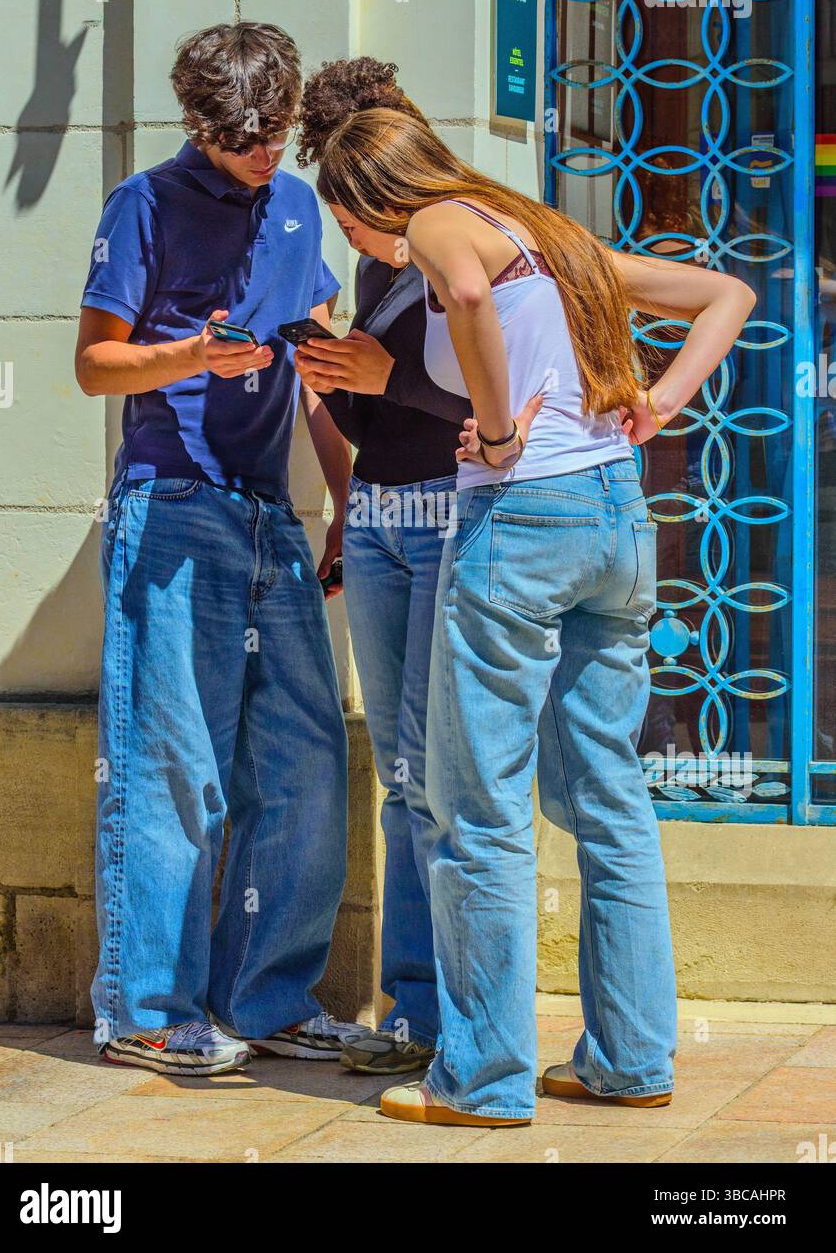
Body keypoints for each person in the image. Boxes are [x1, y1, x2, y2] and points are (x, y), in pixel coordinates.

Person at [313, 107, 756, 1125]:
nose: (358, 242)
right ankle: (631, 1059)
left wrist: (501, 429)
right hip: (615, 514)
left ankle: (481, 1077)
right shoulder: (555, 236)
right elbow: (725, 293)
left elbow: (463, 290)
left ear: (373, 196)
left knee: (477, 811)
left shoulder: (436, 223)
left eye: (348, 219)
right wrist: (661, 399)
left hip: (520, 522)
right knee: (608, 796)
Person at [75, 22, 367, 1075]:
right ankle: (149, 1010)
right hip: (172, 507)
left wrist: (343, 497)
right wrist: (188, 354)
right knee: (170, 770)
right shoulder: (142, 205)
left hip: (267, 518)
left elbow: (320, 368)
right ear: (198, 122)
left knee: (303, 766)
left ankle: (268, 997)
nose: (265, 152)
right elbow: (95, 368)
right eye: (244, 135)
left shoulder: (293, 206)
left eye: (278, 132)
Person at [292, 59, 471, 1075]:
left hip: (451, 521)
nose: (362, 208)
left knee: (440, 774)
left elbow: (499, 412)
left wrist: (386, 372)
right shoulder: (372, 267)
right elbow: (381, 424)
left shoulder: (462, 245)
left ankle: (457, 1015)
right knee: (400, 777)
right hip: (380, 520)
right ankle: (411, 1010)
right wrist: (325, 376)